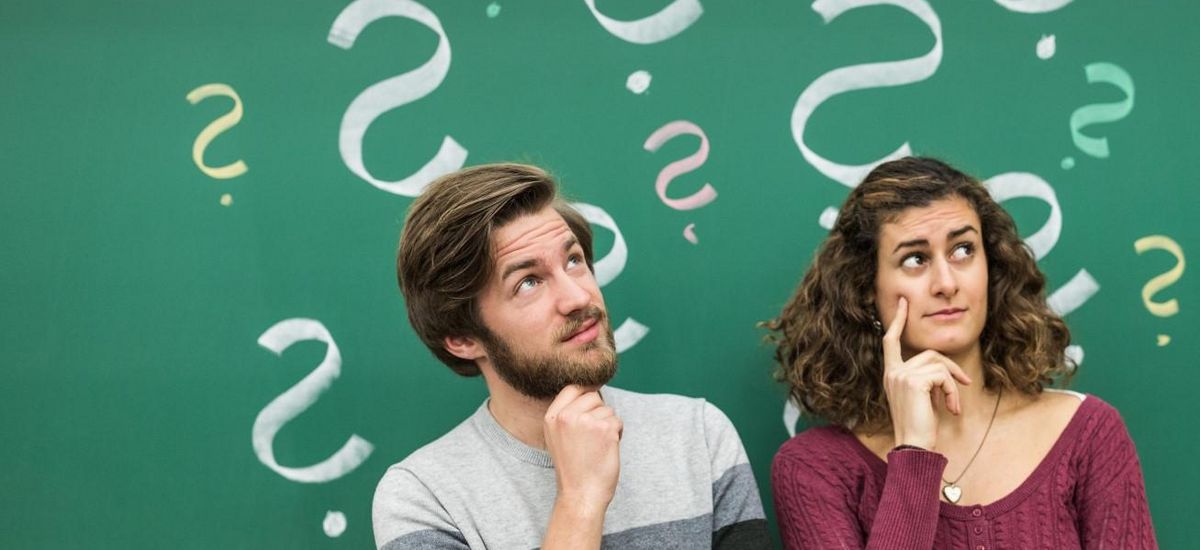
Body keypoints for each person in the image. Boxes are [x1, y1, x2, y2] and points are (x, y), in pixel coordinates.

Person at [373, 163, 770, 549]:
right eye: (528, 282)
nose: (580, 297)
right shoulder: (422, 498)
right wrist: (580, 501)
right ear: (461, 338)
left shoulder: (697, 437)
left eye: (574, 260)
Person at [765, 157, 1156, 549]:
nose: (946, 282)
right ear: (866, 286)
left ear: (992, 265)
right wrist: (913, 453)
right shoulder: (814, 470)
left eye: (963, 250)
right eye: (915, 259)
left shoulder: (1087, 435)